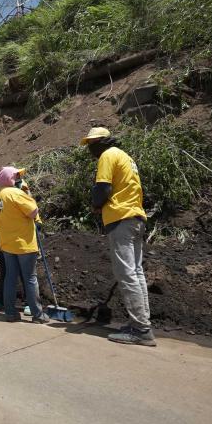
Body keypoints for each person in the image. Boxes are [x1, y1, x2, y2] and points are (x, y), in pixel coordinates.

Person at [80, 127, 155, 347]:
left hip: (120, 218)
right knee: (136, 273)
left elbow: (102, 188)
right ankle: (142, 324)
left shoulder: (107, 155)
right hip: (136, 217)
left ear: (103, 142)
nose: (90, 149)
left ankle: (140, 330)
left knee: (126, 274)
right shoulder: (126, 157)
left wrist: (96, 205)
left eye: (92, 144)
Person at [0, 166, 49, 324]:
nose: (17, 179)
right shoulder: (17, 193)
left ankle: (10, 313)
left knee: (10, 277)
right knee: (30, 279)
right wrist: (28, 195)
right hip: (24, 244)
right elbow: (33, 212)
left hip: (7, 244)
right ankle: (38, 315)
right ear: (10, 179)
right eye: (15, 176)